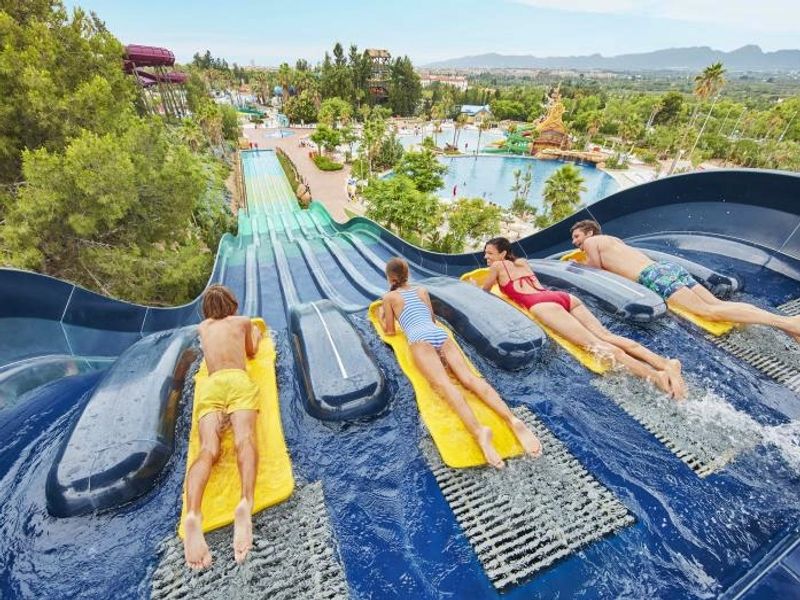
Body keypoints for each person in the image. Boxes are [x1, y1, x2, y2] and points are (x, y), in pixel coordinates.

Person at [380, 258, 542, 468]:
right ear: (407, 274)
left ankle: (478, 431)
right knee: (469, 378)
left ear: (390, 278)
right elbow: (431, 319)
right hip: (439, 334)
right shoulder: (421, 291)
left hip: (419, 340)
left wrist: (384, 315)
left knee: (445, 385)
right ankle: (512, 419)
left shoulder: (389, 297)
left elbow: (390, 330)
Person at [481, 237, 686, 400]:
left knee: (594, 344)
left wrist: (475, 283)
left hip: (543, 305)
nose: (486, 257)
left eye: (490, 253)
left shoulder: (497, 267)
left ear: (503, 253)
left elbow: (485, 291)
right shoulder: (523, 262)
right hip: (564, 298)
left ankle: (655, 376)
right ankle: (665, 363)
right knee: (606, 335)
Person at [570, 220, 800, 342]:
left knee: (709, 312)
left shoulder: (592, 242)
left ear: (589, 232)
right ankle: (788, 325)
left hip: (653, 277)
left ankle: (787, 324)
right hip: (665, 269)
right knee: (717, 304)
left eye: (577, 236)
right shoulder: (614, 240)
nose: (575, 242)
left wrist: (577, 264)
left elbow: (595, 269)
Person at [183, 284, 263, 570]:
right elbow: (252, 353)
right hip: (238, 380)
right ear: (232, 303)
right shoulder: (242, 322)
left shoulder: (202, 328)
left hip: (212, 385)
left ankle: (193, 513)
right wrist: (256, 333)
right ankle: (245, 501)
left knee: (207, 449)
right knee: (244, 439)